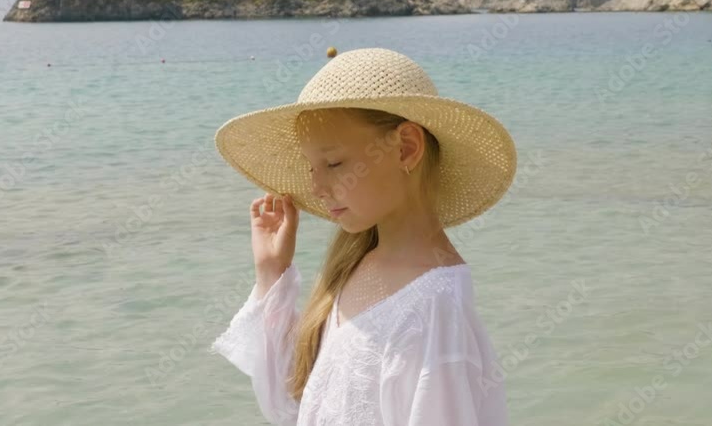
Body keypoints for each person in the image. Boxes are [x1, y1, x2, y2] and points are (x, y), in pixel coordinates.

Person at [208, 48, 517, 425]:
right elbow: (293, 405)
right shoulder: (355, 266)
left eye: (334, 163)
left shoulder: (435, 307)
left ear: (406, 148)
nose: (316, 187)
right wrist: (272, 270)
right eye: (311, 167)